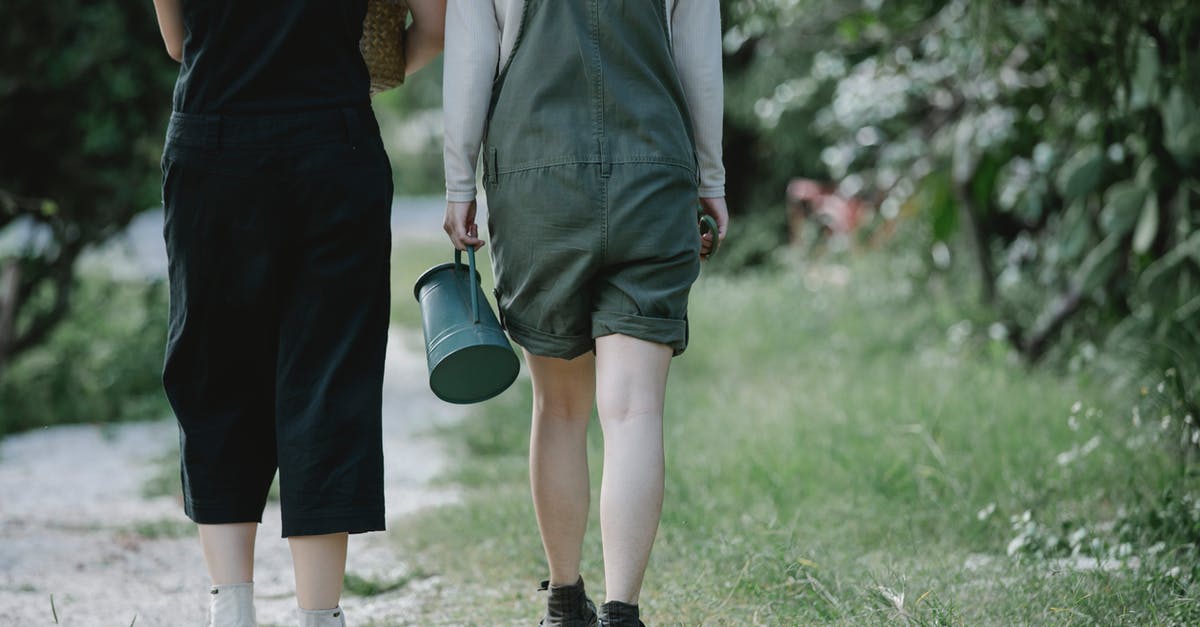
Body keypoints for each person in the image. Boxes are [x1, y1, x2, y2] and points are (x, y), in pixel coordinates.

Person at [149, 1, 445, 625]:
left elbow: (178, 42)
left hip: (214, 142)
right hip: (333, 144)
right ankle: (320, 615)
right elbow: (436, 29)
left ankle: (232, 609)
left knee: (216, 378)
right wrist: (340, 71)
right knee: (328, 380)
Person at [442, 1, 728, 625]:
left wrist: (460, 183)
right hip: (653, 174)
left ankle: (565, 605)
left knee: (561, 408)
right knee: (635, 410)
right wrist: (711, 178)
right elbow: (698, 59)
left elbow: (469, 55)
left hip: (537, 179)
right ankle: (623, 612)